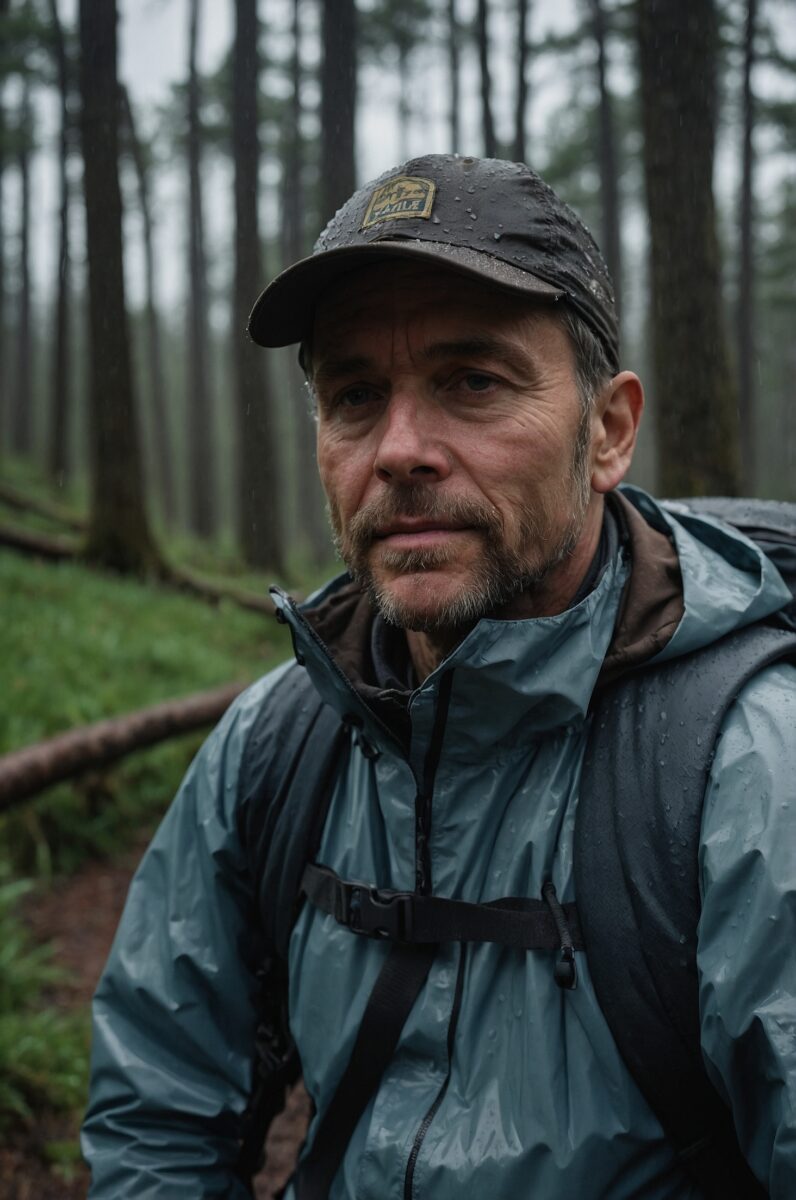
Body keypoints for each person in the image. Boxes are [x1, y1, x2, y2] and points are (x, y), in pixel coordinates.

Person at [82, 155, 796, 1199]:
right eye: (355, 396)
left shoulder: (748, 776)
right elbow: (157, 1112)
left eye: (473, 381)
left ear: (607, 431)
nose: (400, 449)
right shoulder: (276, 745)